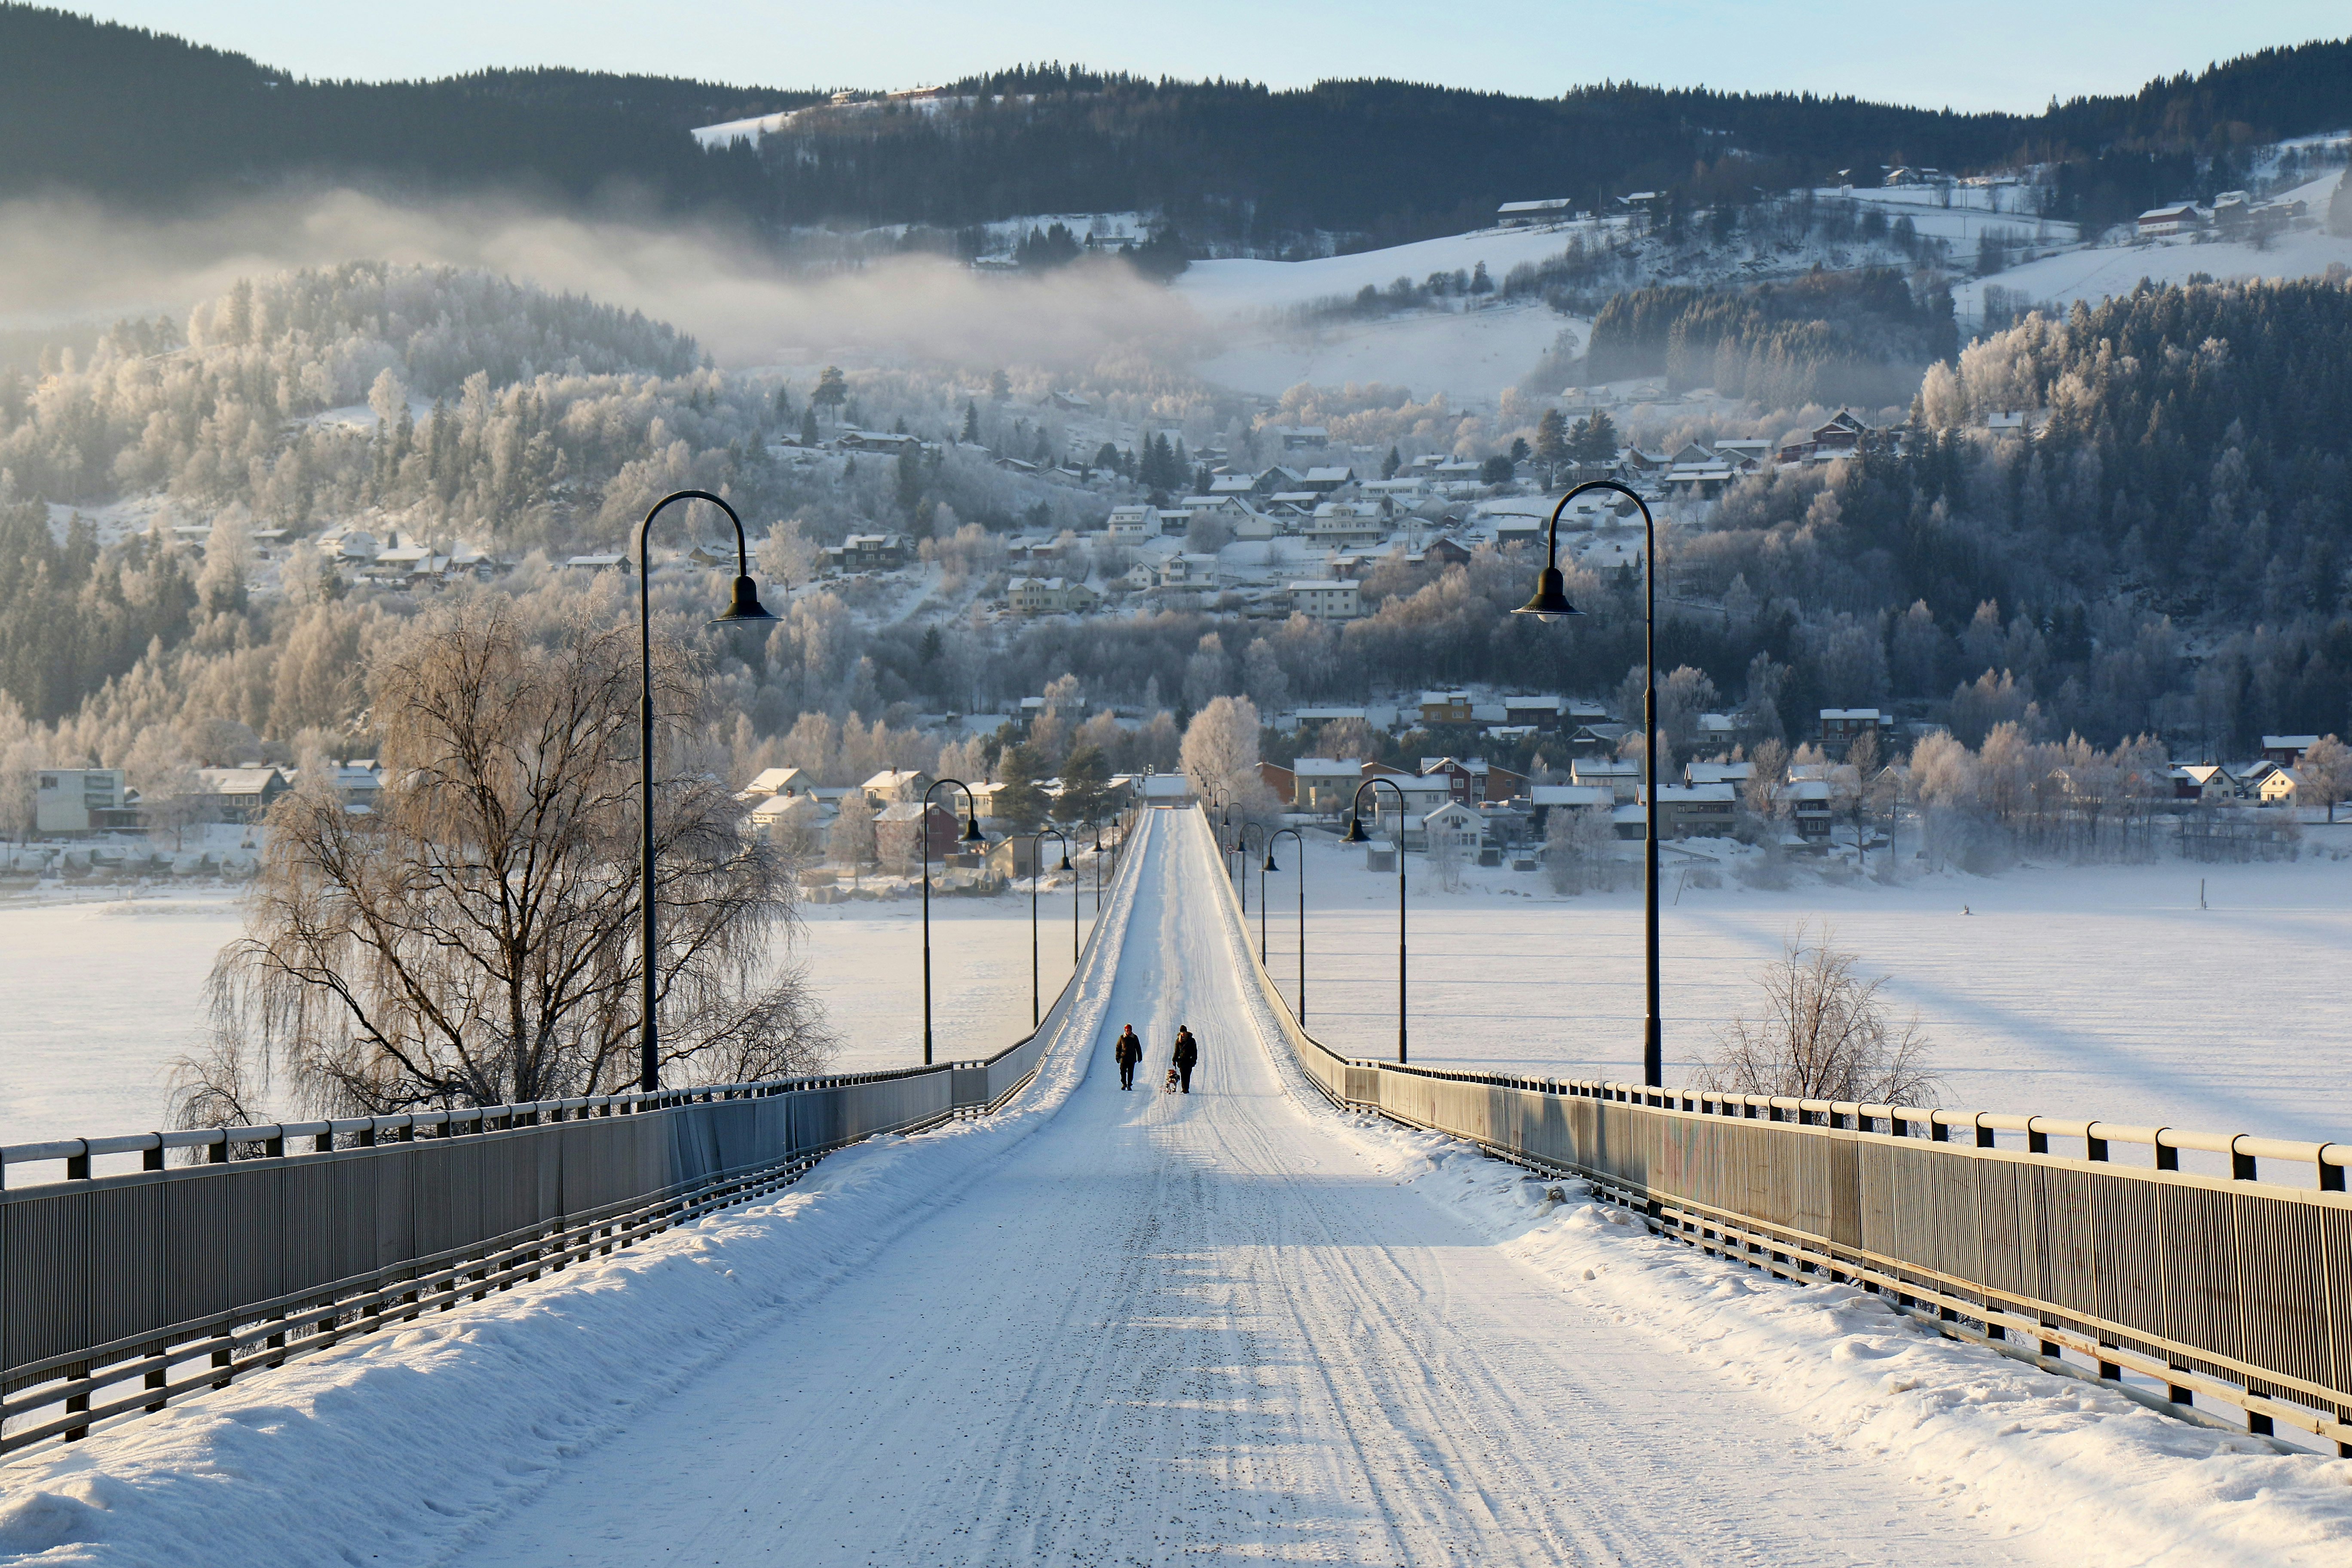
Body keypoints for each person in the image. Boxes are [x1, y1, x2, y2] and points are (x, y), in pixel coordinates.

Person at [1114, 1024, 1143, 1090]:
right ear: (1125, 1031)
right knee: (1123, 1072)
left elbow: (1138, 1048)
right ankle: (1124, 1084)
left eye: (1129, 1031)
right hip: (1123, 1058)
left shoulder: (1134, 1038)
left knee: (1130, 1072)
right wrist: (1117, 1057)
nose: (1128, 1032)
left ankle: (1129, 1085)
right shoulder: (1122, 1038)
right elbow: (1118, 1048)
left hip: (1132, 1058)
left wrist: (1140, 1057)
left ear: (1131, 1030)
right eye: (1127, 1031)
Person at [1171, 1025, 1199, 1094]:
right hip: (1181, 1061)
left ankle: (1186, 1088)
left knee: (1188, 1075)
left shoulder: (1191, 1040)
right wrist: (1174, 1060)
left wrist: (1194, 1060)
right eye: (1182, 1032)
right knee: (1183, 1075)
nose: (1183, 1033)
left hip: (1189, 1061)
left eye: (1184, 1032)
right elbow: (1177, 1051)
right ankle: (1184, 1089)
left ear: (1186, 1032)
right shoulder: (1178, 1041)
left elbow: (1195, 1051)